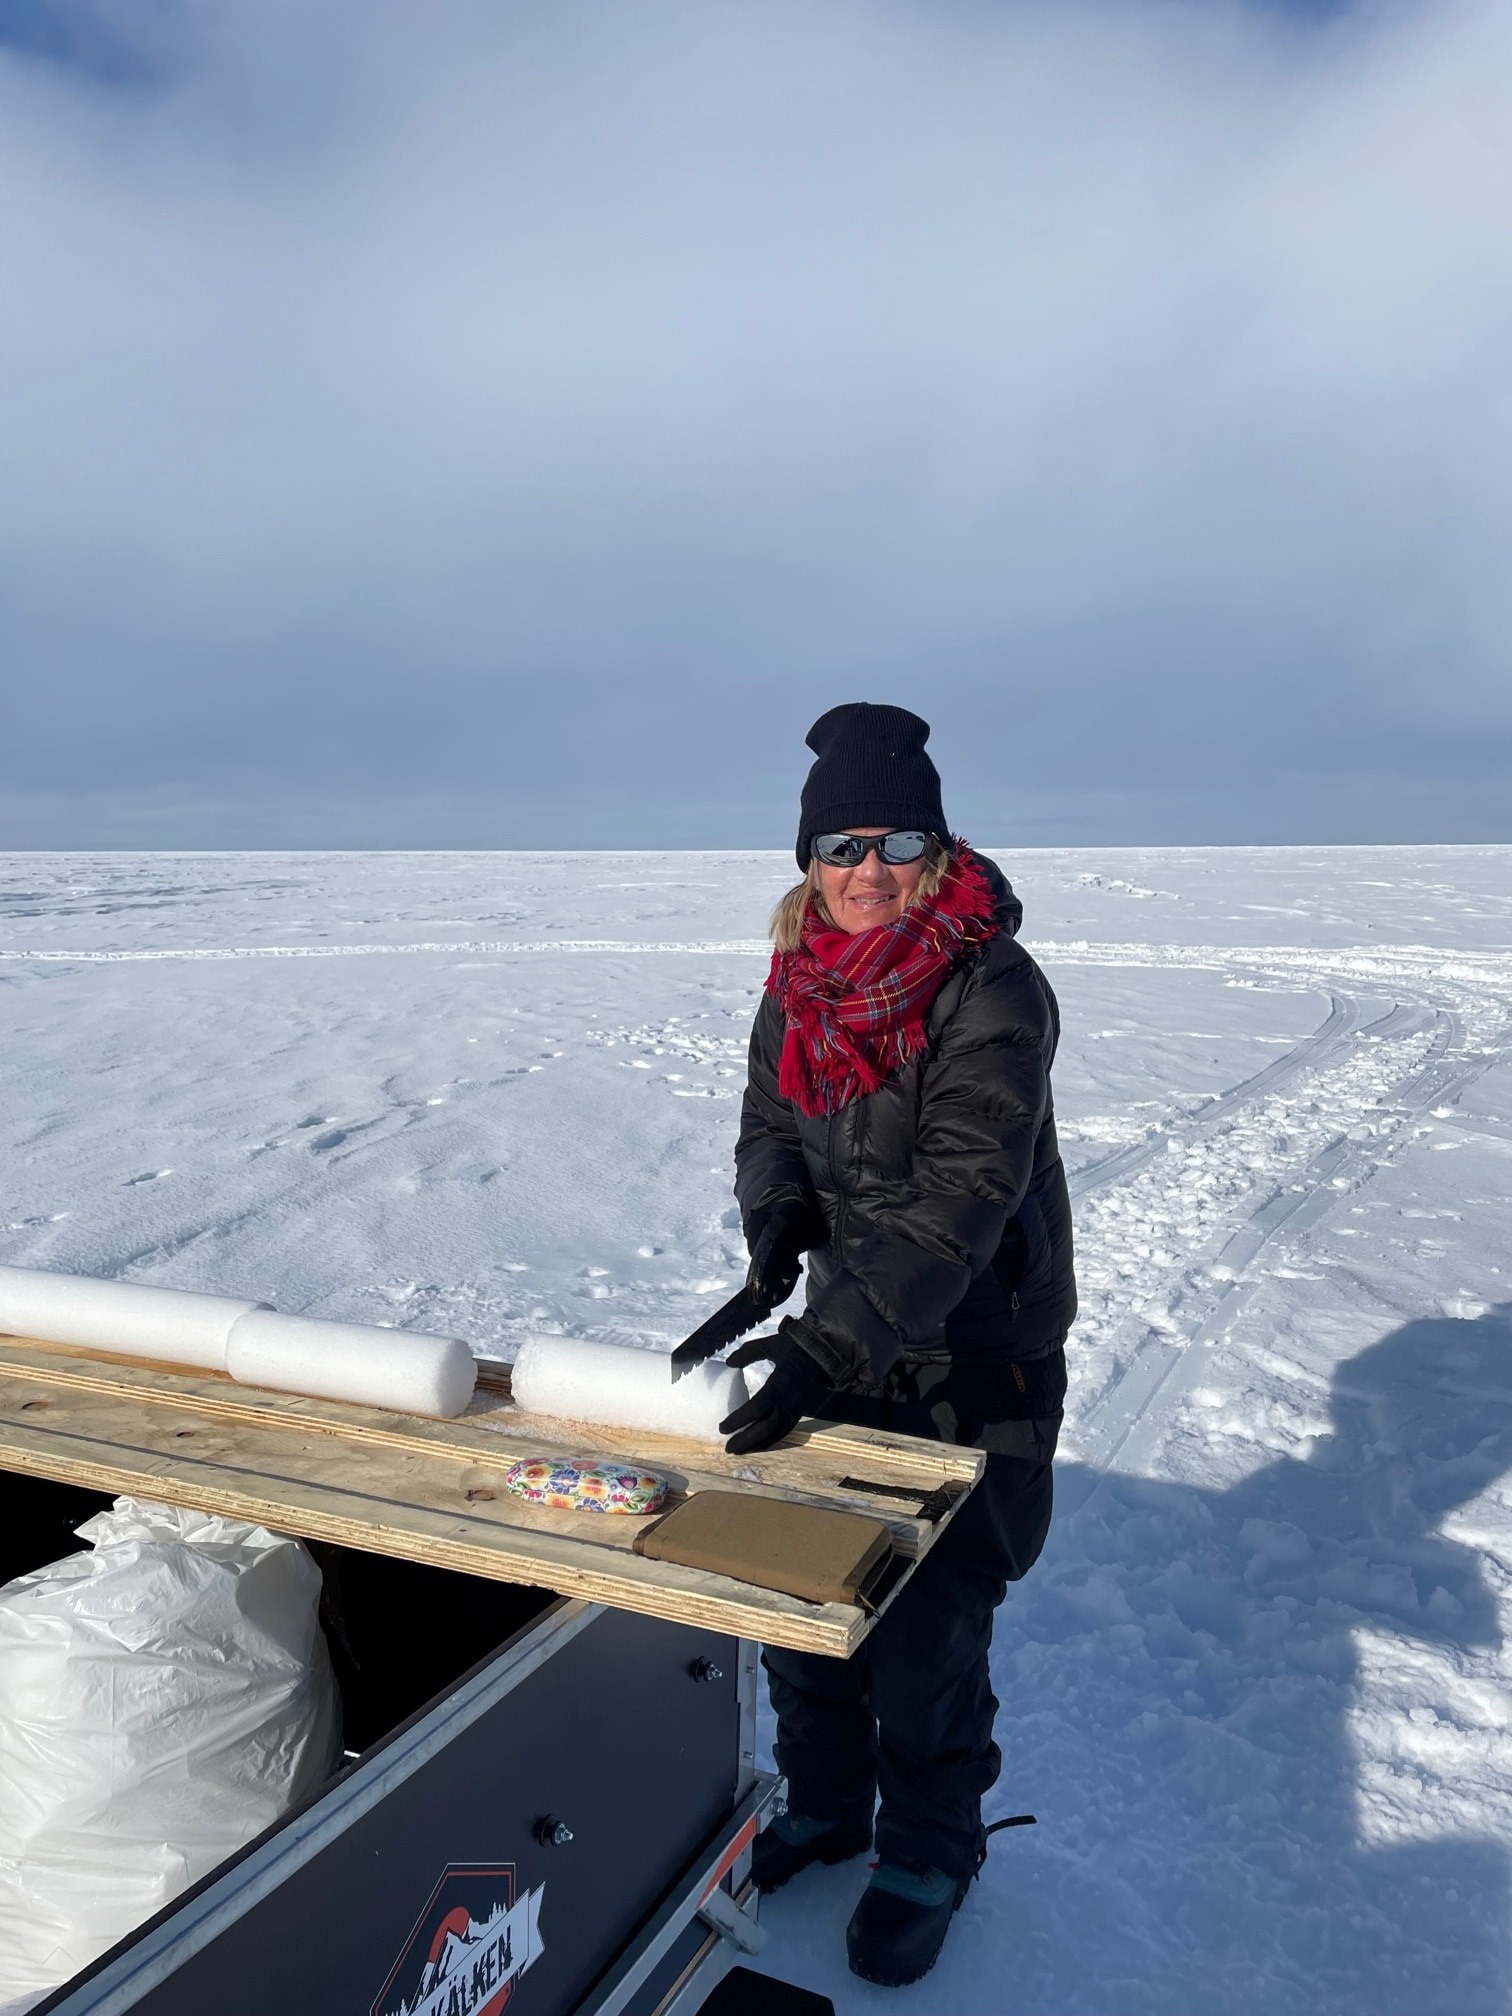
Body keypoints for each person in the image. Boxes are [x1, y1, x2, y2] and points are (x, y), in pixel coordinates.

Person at [719, 701, 1075, 1987]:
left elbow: (966, 1193)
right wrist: (778, 1225)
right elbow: (772, 1124)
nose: (868, 868)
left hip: (976, 1350)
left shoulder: (993, 985)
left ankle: (930, 1846)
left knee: (928, 1626)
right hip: (848, 1326)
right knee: (806, 1588)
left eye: (897, 840)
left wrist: (827, 1344)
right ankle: (827, 1803)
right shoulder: (799, 980)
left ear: (937, 848)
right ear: (808, 860)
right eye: (841, 845)